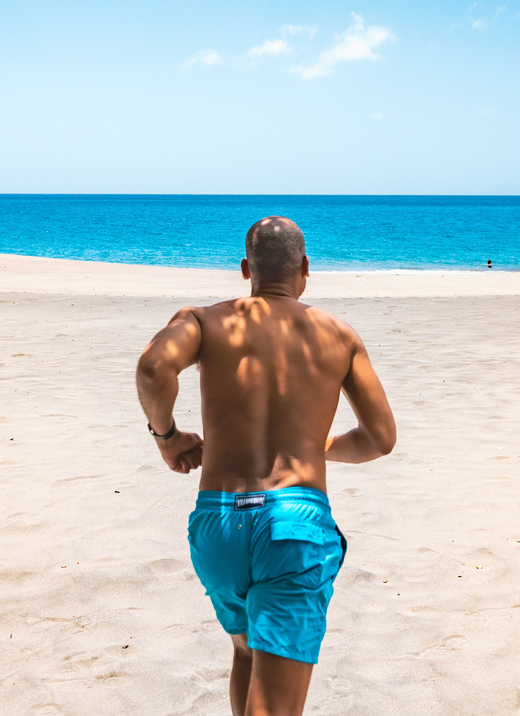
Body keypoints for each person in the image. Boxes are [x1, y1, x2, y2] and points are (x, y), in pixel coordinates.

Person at [135, 216, 397, 716]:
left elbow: (152, 367)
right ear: (304, 268)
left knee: (245, 650)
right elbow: (380, 439)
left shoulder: (202, 321)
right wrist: (317, 446)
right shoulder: (337, 336)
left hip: (219, 525)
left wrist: (167, 438)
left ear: (245, 270)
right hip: (292, 526)